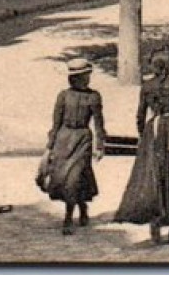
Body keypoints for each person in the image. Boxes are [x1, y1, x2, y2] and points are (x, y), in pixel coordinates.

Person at [115, 49, 169, 244]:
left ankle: (155, 226)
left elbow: (140, 115)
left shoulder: (147, 86)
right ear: (168, 66)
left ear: (153, 66)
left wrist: (145, 137)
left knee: (153, 176)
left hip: (153, 131)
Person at [43, 58, 106, 235]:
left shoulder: (94, 97)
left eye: (85, 76)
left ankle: (68, 218)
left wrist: (100, 145)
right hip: (64, 139)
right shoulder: (63, 96)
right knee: (64, 178)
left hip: (82, 140)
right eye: (79, 77)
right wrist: (50, 146)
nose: (84, 79)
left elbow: (99, 123)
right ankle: (82, 206)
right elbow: (55, 123)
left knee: (74, 177)